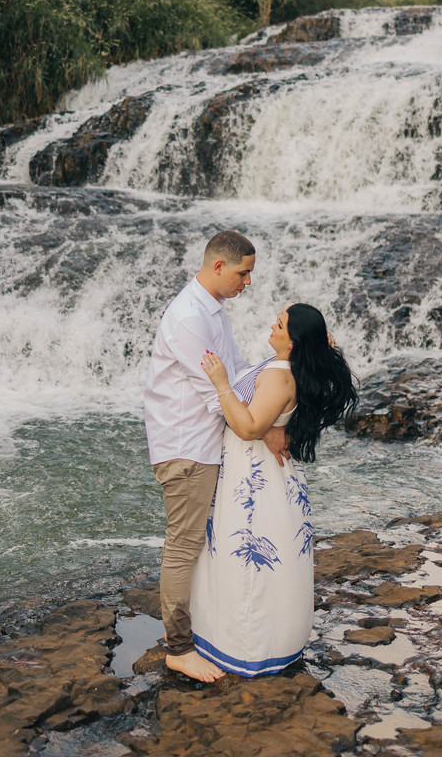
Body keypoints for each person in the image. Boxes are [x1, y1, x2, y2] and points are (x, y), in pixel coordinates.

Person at [143, 230, 288, 683]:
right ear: (219, 266)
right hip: (187, 447)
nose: (248, 282)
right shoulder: (190, 318)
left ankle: (204, 631)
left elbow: (238, 370)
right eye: (243, 273)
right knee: (184, 545)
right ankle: (179, 649)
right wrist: (263, 423)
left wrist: (285, 372)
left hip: (206, 445)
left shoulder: (213, 311)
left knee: (201, 543)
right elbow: (218, 396)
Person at [191, 303, 357, 677]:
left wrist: (220, 382)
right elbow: (324, 344)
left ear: (293, 342)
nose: (272, 326)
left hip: (253, 475)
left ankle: (248, 650)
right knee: (267, 557)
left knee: (249, 558)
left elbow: (247, 427)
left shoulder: (280, 377)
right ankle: (266, 644)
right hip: (270, 474)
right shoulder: (295, 363)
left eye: (279, 325)